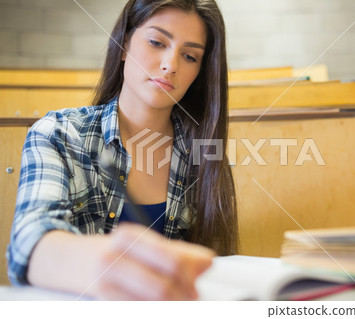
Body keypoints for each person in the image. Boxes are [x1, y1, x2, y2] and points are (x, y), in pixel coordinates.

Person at [7, 0, 238, 300]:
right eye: (157, 42)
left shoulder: (204, 153)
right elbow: (29, 241)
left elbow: (213, 268)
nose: (171, 65)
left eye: (190, 56)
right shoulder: (59, 134)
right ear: (125, 42)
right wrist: (99, 264)